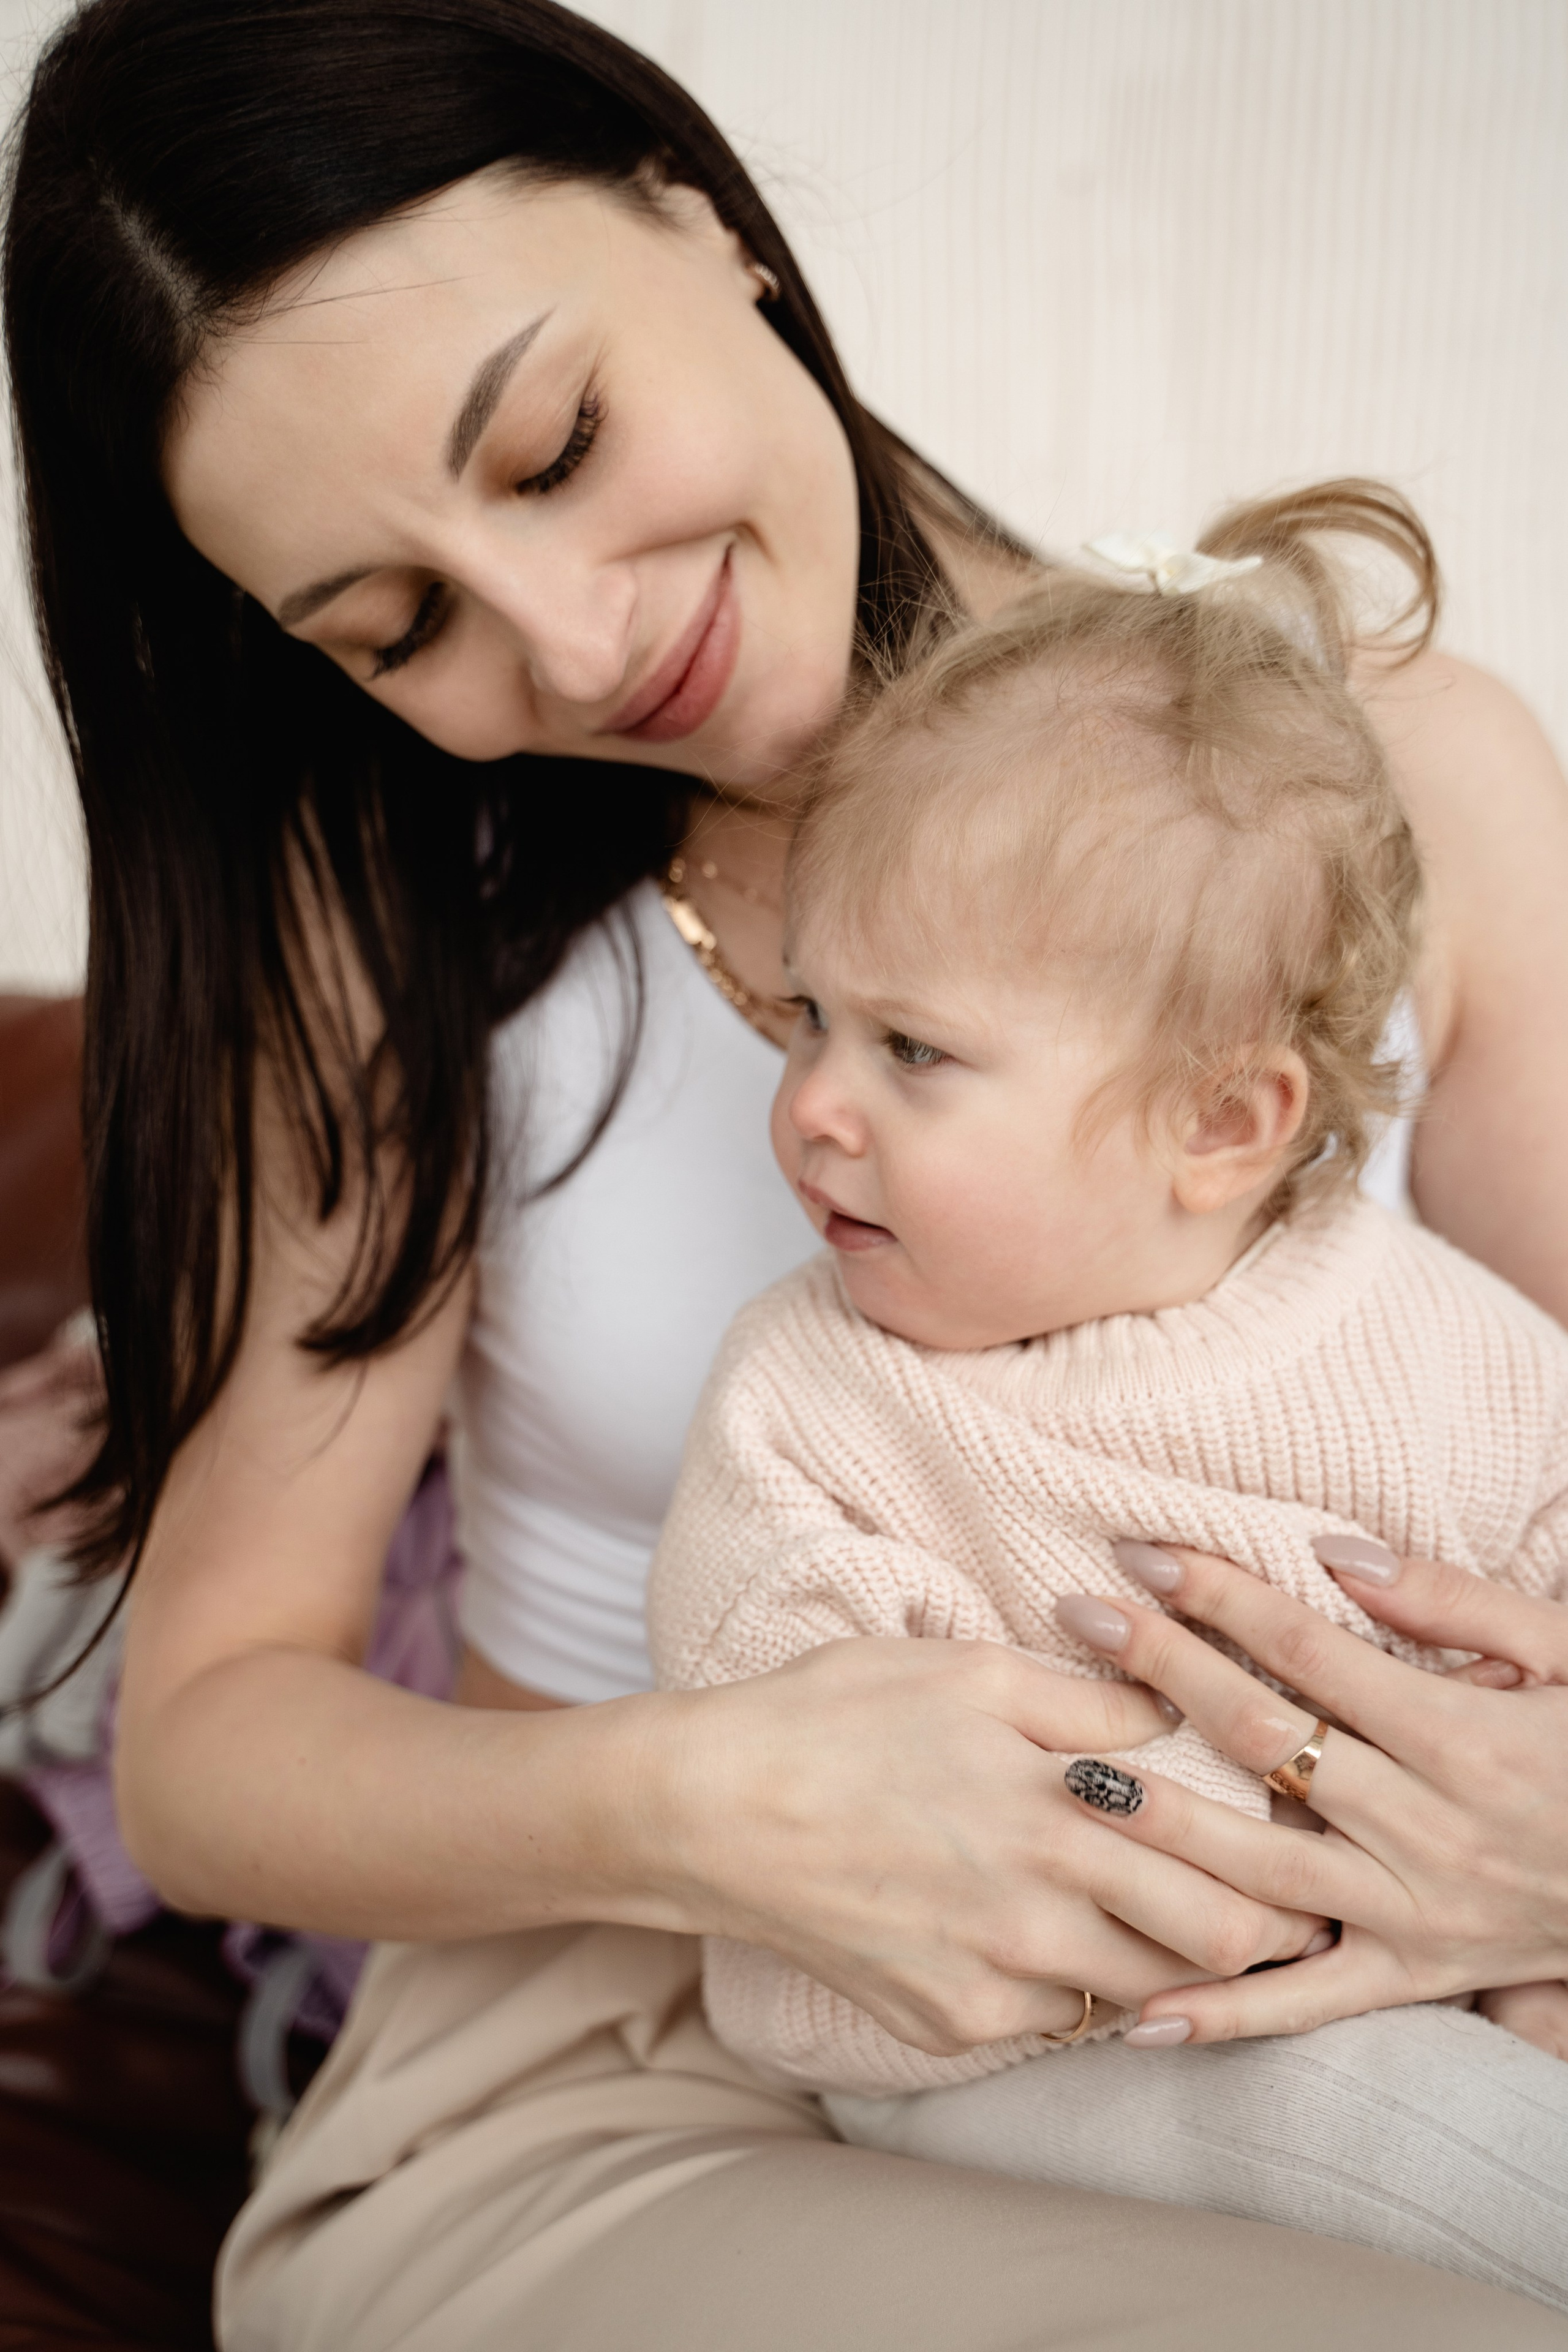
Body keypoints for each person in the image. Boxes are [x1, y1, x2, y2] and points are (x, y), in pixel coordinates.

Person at [4, 2, 1567, 2345]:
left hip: (1333, 1982)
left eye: (553, 444)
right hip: (622, 2071)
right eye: (396, 623)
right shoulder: (396, 940)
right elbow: (216, 1738)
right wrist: (716, 1801)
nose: (572, 639)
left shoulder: (1384, 765)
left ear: (704, 219)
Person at [646, 481, 1568, 2303]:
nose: (815, 1102)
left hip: (1427, 1941)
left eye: (915, 1049)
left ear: (1221, 1127)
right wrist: (1311, 1886)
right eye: (814, 1015)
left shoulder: (1434, 1338)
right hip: (1010, 2049)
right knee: (1414, 2128)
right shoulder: (811, 1407)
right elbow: (812, 1781)